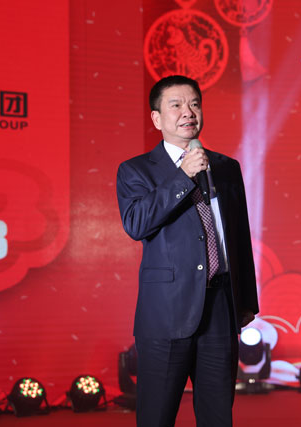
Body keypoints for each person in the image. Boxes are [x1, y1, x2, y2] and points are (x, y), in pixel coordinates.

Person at [116, 75, 259, 427]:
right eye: (176, 105)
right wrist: (182, 176)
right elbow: (136, 224)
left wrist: (245, 302)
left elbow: (239, 238)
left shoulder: (226, 168)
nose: (188, 112)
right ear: (156, 118)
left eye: (194, 104)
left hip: (220, 309)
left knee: (217, 416)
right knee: (157, 416)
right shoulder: (135, 170)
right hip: (166, 313)